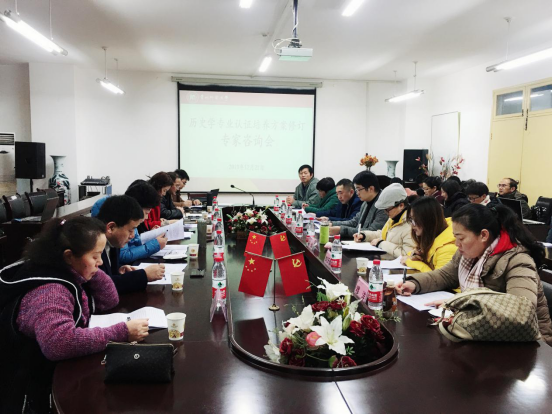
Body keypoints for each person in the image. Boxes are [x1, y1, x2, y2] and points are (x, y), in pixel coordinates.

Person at [0, 217, 149, 413]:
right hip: (33, 386)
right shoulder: (50, 292)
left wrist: (89, 268)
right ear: (69, 256)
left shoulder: (64, 269)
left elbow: (109, 299)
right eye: (95, 256)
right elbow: (58, 343)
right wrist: (122, 332)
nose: (100, 262)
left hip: (53, 370)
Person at [396, 203, 552, 346]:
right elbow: (445, 275)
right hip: (485, 334)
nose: (457, 244)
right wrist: (414, 283)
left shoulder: (517, 260)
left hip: (529, 343)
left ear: (483, 235)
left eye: (461, 238)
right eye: (455, 238)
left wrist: (461, 302)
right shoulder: (468, 253)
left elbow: (521, 311)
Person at [97, 195, 165, 293]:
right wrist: (143, 275)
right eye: (130, 230)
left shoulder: (114, 241)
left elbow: (108, 275)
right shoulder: (93, 247)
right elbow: (102, 286)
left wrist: (119, 270)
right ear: (111, 227)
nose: (132, 236)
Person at [91, 181, 167, 264]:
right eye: (147, 212)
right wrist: (154, 245)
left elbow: (134, 241)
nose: (147, 217)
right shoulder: (121, 220)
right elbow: (123, 255)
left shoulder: (124, 223)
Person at [353, 183, 415, 259]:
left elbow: (407, 255)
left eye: (387, 209)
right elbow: (384, 234)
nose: (385, 213)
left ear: (401, 205)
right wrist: (364, 235)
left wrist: (381, 244)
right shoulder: (394, 218)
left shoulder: (411, 225)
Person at [400, 196, 457, 272]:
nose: (412, 225)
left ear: (428, 220)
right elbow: (409, 256)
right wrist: (414, 255)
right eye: (411, 220)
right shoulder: (430, 239)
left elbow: (438, 278)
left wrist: (415, 263)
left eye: (415, 220)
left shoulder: (448, 249)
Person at [329, 171, 388, 238]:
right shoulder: (365, 202)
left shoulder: (383, 205)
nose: (357, 193)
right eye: (356, 190)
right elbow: (354, 222)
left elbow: (372, 231)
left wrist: (341, 230)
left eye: (359, 189)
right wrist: (332, 224)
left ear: (371, 189)